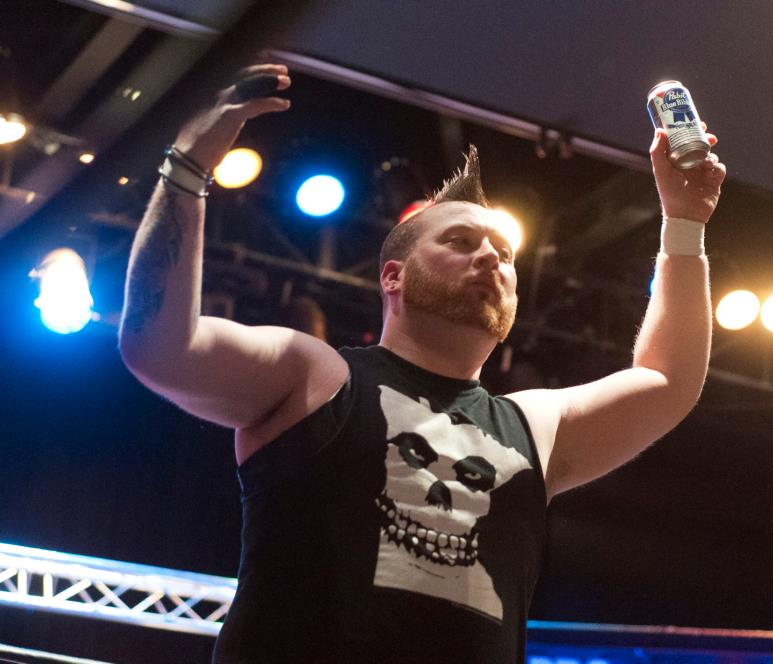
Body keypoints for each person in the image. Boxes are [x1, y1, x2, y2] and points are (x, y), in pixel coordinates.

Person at [119, 65, 725, 663]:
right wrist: (188, 167)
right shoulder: (316, 376)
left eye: (504, 253)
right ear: (394, 277)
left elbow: (667, 382)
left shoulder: (533, 427)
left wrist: (684, 224)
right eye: (460, 242)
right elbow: (161, 347)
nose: (490, 258)